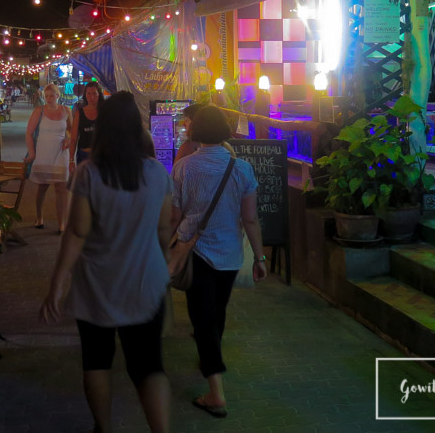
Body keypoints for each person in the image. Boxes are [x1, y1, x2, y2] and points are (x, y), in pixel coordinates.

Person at [40, 91, 172, 433]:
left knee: (97, 361)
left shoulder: (89, 174)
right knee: (149, 366)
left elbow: (77, 232)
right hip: (145, 282)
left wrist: (57, 283)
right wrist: (165, 269)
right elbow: (163, 230)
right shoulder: (158, 173)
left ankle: (104, 427)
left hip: (97, 285)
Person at [171, 105, 267, 419]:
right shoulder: (242, 169)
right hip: (229, 254)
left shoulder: (183, 167)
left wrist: (164, 244)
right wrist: (260, 257)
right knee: (216, 312)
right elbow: (250, 219)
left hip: (195, 252)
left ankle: (216, 393)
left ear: (196, 130)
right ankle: (210, 358)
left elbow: (176, 215)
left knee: (202, 319)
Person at [24, 83, 72, 232]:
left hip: (61, 152)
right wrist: (32, 153)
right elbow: (29, 133)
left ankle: (62, 223)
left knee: (61, 187)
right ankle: (39, 216)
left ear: (58, 96)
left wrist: (68, 139)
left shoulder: (66, 110)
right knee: (43, 186)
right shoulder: (39, 111)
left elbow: (71, 130)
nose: (49, 99)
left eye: (52, 96)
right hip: (43, 152)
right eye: (47, 96)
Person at [69, 81, 104, 172]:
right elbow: (73, 138)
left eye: (94, 94)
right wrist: (71, 160)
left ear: (99, 95)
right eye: (89, 94)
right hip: (83, 155)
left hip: (101, 156)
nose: (92, 97)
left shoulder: (105, 112)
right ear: (85, 95)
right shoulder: (79, 113)